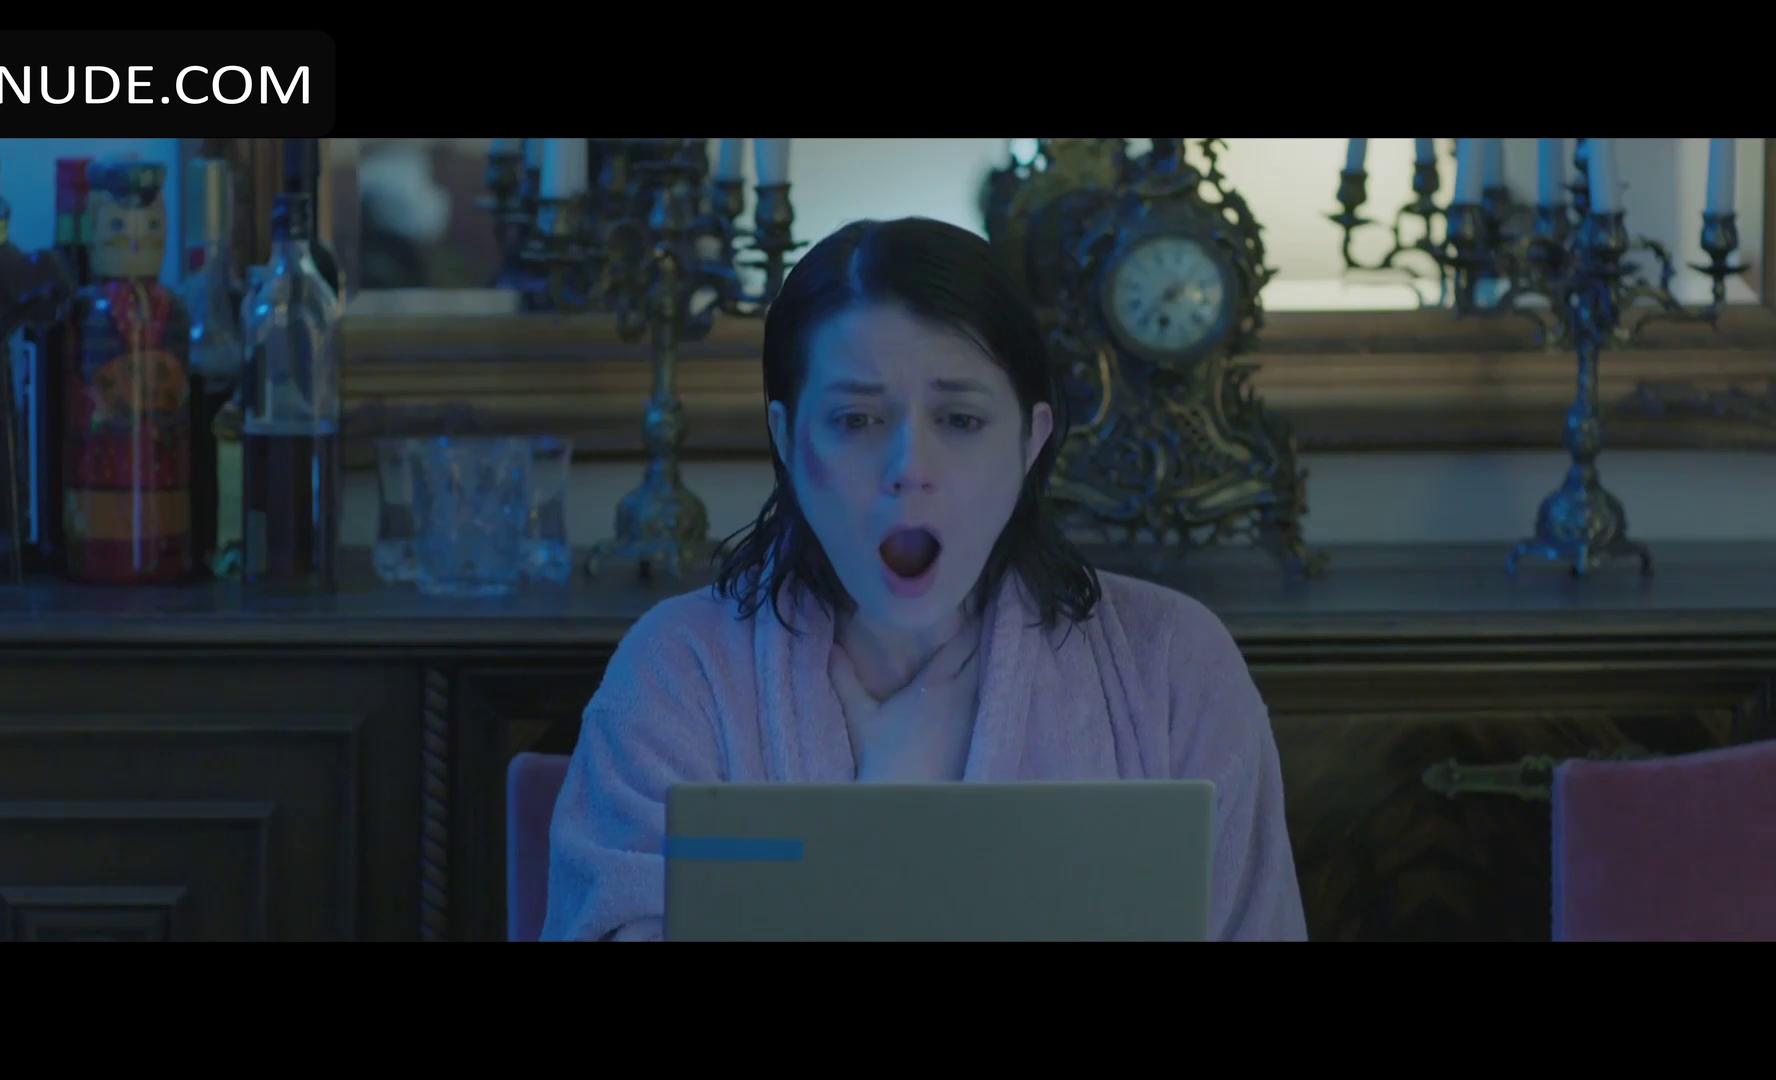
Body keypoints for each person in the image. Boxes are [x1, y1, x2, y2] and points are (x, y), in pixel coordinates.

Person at [540, 217, 1307, 941]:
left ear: (1031, 441)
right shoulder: (679, 671)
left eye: (960, 420)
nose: (910, 468)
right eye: (856, 421)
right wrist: (886, 810)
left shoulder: (1172, 666)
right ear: (787, 437)